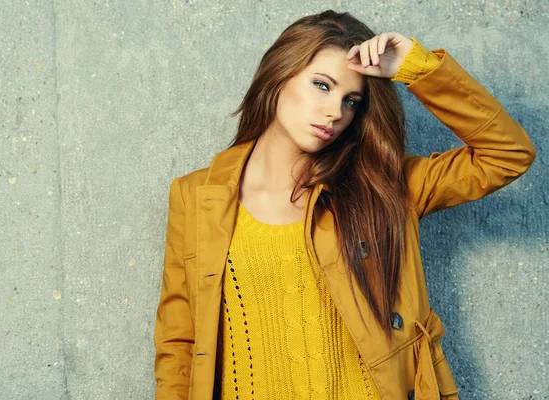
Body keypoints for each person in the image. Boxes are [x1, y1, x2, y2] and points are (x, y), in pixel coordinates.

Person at [153, 9, 536, 400]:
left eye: (351, 100)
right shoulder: (196, 196)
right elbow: (179, 342)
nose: (336, 112)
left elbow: (508, 154)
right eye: (322, 85)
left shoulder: (383, 186)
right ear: (278, 75)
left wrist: (417, 70)